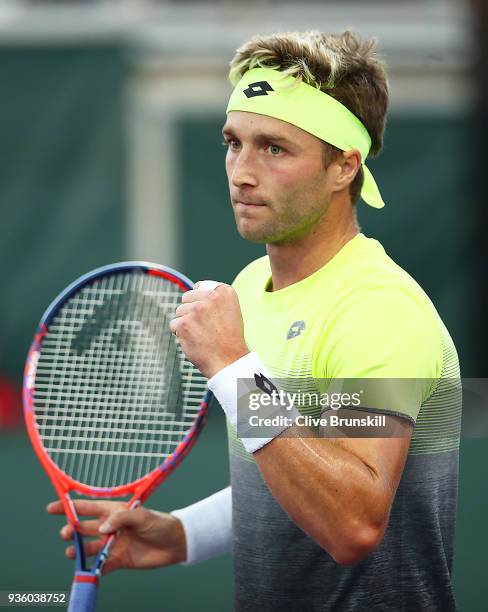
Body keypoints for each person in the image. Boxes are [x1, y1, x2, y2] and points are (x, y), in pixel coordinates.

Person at [48, 31, 461, 611]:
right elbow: (294, 471)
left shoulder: (379, 309)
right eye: (233, 142)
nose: (241, 172)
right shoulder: (248, 290)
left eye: (274, 148)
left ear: (344, 166)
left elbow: (352, 524)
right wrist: (184, 535)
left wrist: (234, 368)